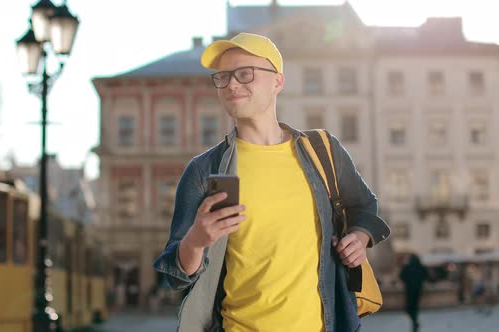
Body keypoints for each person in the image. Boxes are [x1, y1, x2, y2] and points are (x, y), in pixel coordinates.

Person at [153, 32, 390, 332]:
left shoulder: (322, 151)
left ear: (278, 82)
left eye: (244, 74)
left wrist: (360, 237)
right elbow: (175, 274)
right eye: (223, 77)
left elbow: (365, 207)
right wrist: (196, 241)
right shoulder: (205, 170)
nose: (232, 84)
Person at [399, 253, 429, 332]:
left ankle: (414, 322)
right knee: (415, 307)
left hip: (409, 290)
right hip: (418, 290)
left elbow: (401, 276)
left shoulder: (407, 267)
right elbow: (426, 276)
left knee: (409, 308)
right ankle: (415, 322)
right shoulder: (421, 267)